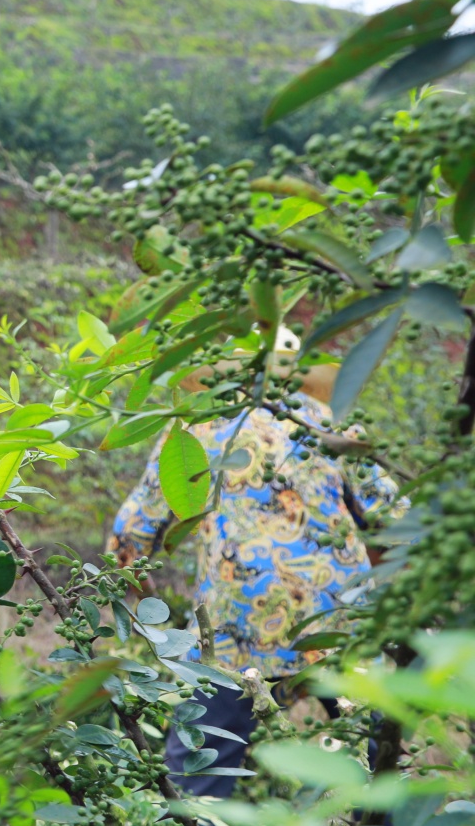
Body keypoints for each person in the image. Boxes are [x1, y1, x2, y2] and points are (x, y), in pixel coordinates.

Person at [107, 333, 401, 795]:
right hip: (338, 615)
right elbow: (394, 520)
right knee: (376, 756)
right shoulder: (332, 422)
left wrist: (154, 625)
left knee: (198, 773)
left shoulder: (192, 433)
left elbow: (128, 540)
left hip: (232, 622)